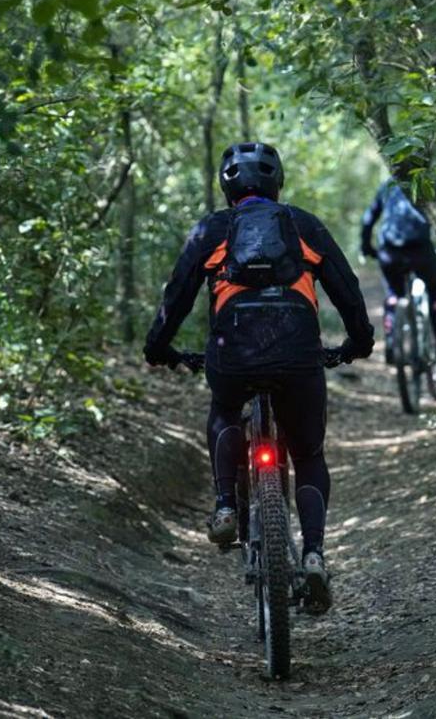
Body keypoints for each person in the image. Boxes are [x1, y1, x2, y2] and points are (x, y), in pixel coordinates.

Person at [143, 142, 373, 615]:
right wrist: (358, 342)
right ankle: (312, 553)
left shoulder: (213, 229)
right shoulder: (302, 224)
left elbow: (178, 297)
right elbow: (346, 288)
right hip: (299, 356)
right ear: (277, 183)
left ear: (226, 187)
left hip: (233, 357)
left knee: (226, 409)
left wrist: (158, 348)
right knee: (308, 453)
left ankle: (226, 503)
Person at [360, 178, 436, 396]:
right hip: (420, 250)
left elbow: (368, 220)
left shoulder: (387, 186)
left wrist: (366, 248)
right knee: (435, 294)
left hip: (389, 251)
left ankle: (392, 338)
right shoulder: (432, 183)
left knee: (393, 294)